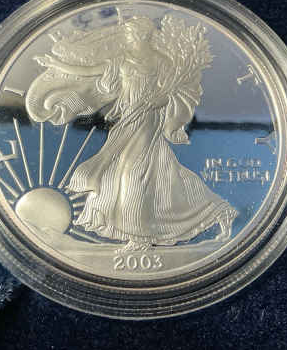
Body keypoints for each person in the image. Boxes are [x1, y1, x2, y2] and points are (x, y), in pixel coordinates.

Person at [27, 15, 237, 251]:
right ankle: (216, 211)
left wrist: (158, 100)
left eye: (134, 33)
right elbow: (89, 71)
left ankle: (140, 236)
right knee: (159, 171)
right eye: (129, 33)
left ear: (145, 34)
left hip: (148, 118)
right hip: (128, 118)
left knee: (131, 170)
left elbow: (174, 92)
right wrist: (56, 64)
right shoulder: (121, 60)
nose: (130, 37)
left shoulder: (162, 62)